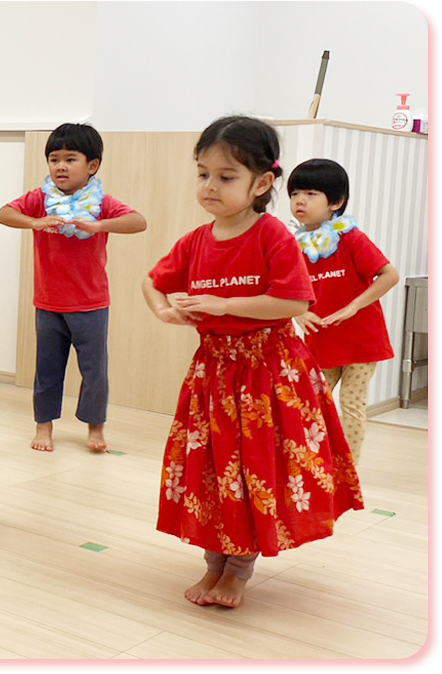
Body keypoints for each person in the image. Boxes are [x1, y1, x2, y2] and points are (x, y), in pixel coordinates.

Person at [141, 116, 363, 608]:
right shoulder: (195, 241)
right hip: (214, 374)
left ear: (262, 183)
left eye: (225, 176)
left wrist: (223, 305)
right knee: (212, 467)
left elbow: (294, 303)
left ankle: (238, 571)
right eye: (202, 173)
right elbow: (153, 280)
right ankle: (213, 563)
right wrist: (165, 310)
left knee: (253, 468)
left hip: (268, 373)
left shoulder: (273, 236)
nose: (209, 186)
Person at [0, 123, 146, 453]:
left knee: (95, 372)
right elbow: (3, 213)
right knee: (47, 370)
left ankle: (95, 428)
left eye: (70, 159)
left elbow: (139, 221)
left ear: (92, 166)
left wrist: (100, 225)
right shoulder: (40, 199)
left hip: (91, 303)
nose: (60, 166)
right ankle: (44, 427)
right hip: (48, 302)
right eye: (54, 159)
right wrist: (33, 221)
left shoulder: (101, 201)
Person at [288, 158, 399, 464]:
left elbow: (390, 275)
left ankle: (347, 469)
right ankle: (314, 463)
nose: (300, 200)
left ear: (335, 202)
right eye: (296, 192)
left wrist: (352, 307)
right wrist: (298, 313)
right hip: (321, 339)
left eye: (311, 193)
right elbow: (283, 290)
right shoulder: (291, 246)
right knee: (311, 402)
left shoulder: (351, 238)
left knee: (351, 404)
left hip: (362, 339)